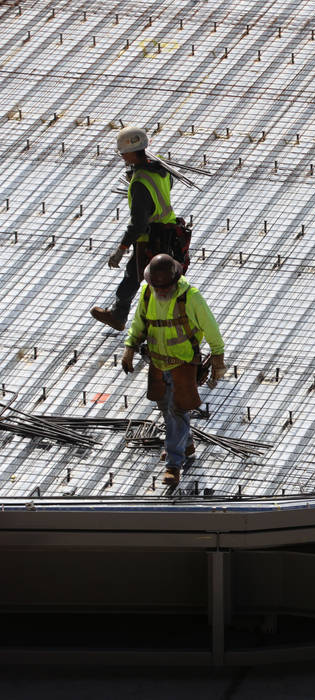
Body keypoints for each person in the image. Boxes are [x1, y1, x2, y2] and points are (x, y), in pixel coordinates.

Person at [121, 254, 226, 486]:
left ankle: (173, 464)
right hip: (157, 363)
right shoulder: (148, 293)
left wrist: (218, 356)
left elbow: (210, 326)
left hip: (182, 364)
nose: (160, 290)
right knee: (165, 407)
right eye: (156, 286)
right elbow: (139, 322)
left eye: (164, 286)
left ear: (174, 281)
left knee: (177, 409)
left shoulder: (190, 297)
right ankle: (185, 444)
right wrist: (129, 347)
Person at [92, 126, 184, 331]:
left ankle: (124, 316)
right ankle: (125, 315)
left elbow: (138, 224)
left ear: (133, 152)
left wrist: (120, 249)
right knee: (151, 277)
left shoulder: (140, 183)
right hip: (169, 232)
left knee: (135, 275)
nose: (122, 156)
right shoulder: (161, 168)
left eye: (124, 153)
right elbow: (165, 188)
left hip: (152, 237)